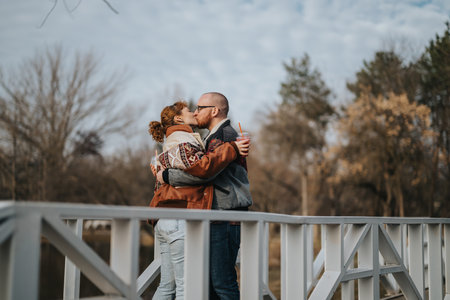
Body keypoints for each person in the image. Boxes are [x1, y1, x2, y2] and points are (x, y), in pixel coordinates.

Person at [148, 100, 250, 300]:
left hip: (166, 218)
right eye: (190, 110)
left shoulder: (176, 140)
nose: (195, 113)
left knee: (167, 287)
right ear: (178, 118)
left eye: (199, 109)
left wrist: (164, 175)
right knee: (188, 287)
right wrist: (232, 149)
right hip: (179, 218)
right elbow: (203, 170)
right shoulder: (184, 140)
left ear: (214, 110)